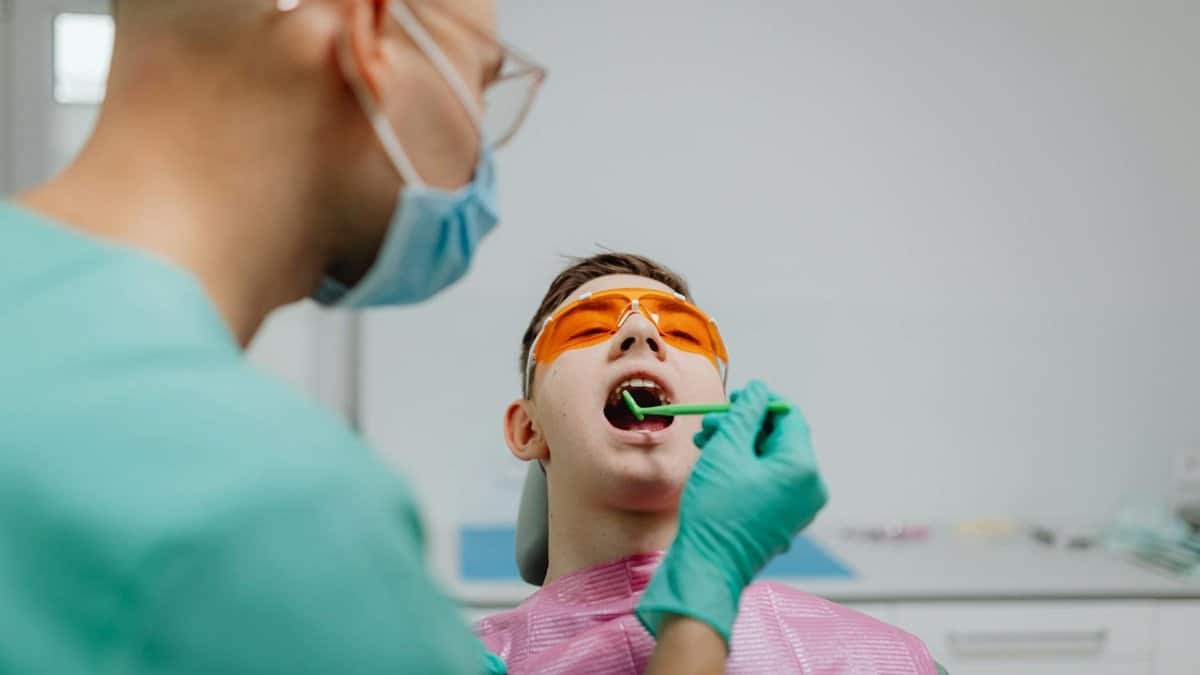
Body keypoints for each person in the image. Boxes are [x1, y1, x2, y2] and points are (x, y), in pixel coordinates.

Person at [0, 1, 827, 673]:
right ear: (371, 39)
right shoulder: (273, 512)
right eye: (482, 83)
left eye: (675, 328)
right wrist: (706, 588)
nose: (640, 335)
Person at [478, 253, 944, 674]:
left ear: (721, 408)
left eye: (682, 331)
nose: (641, 334)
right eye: (586, 328)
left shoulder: (887, 662)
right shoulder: (456, 661)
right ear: (527, 429)